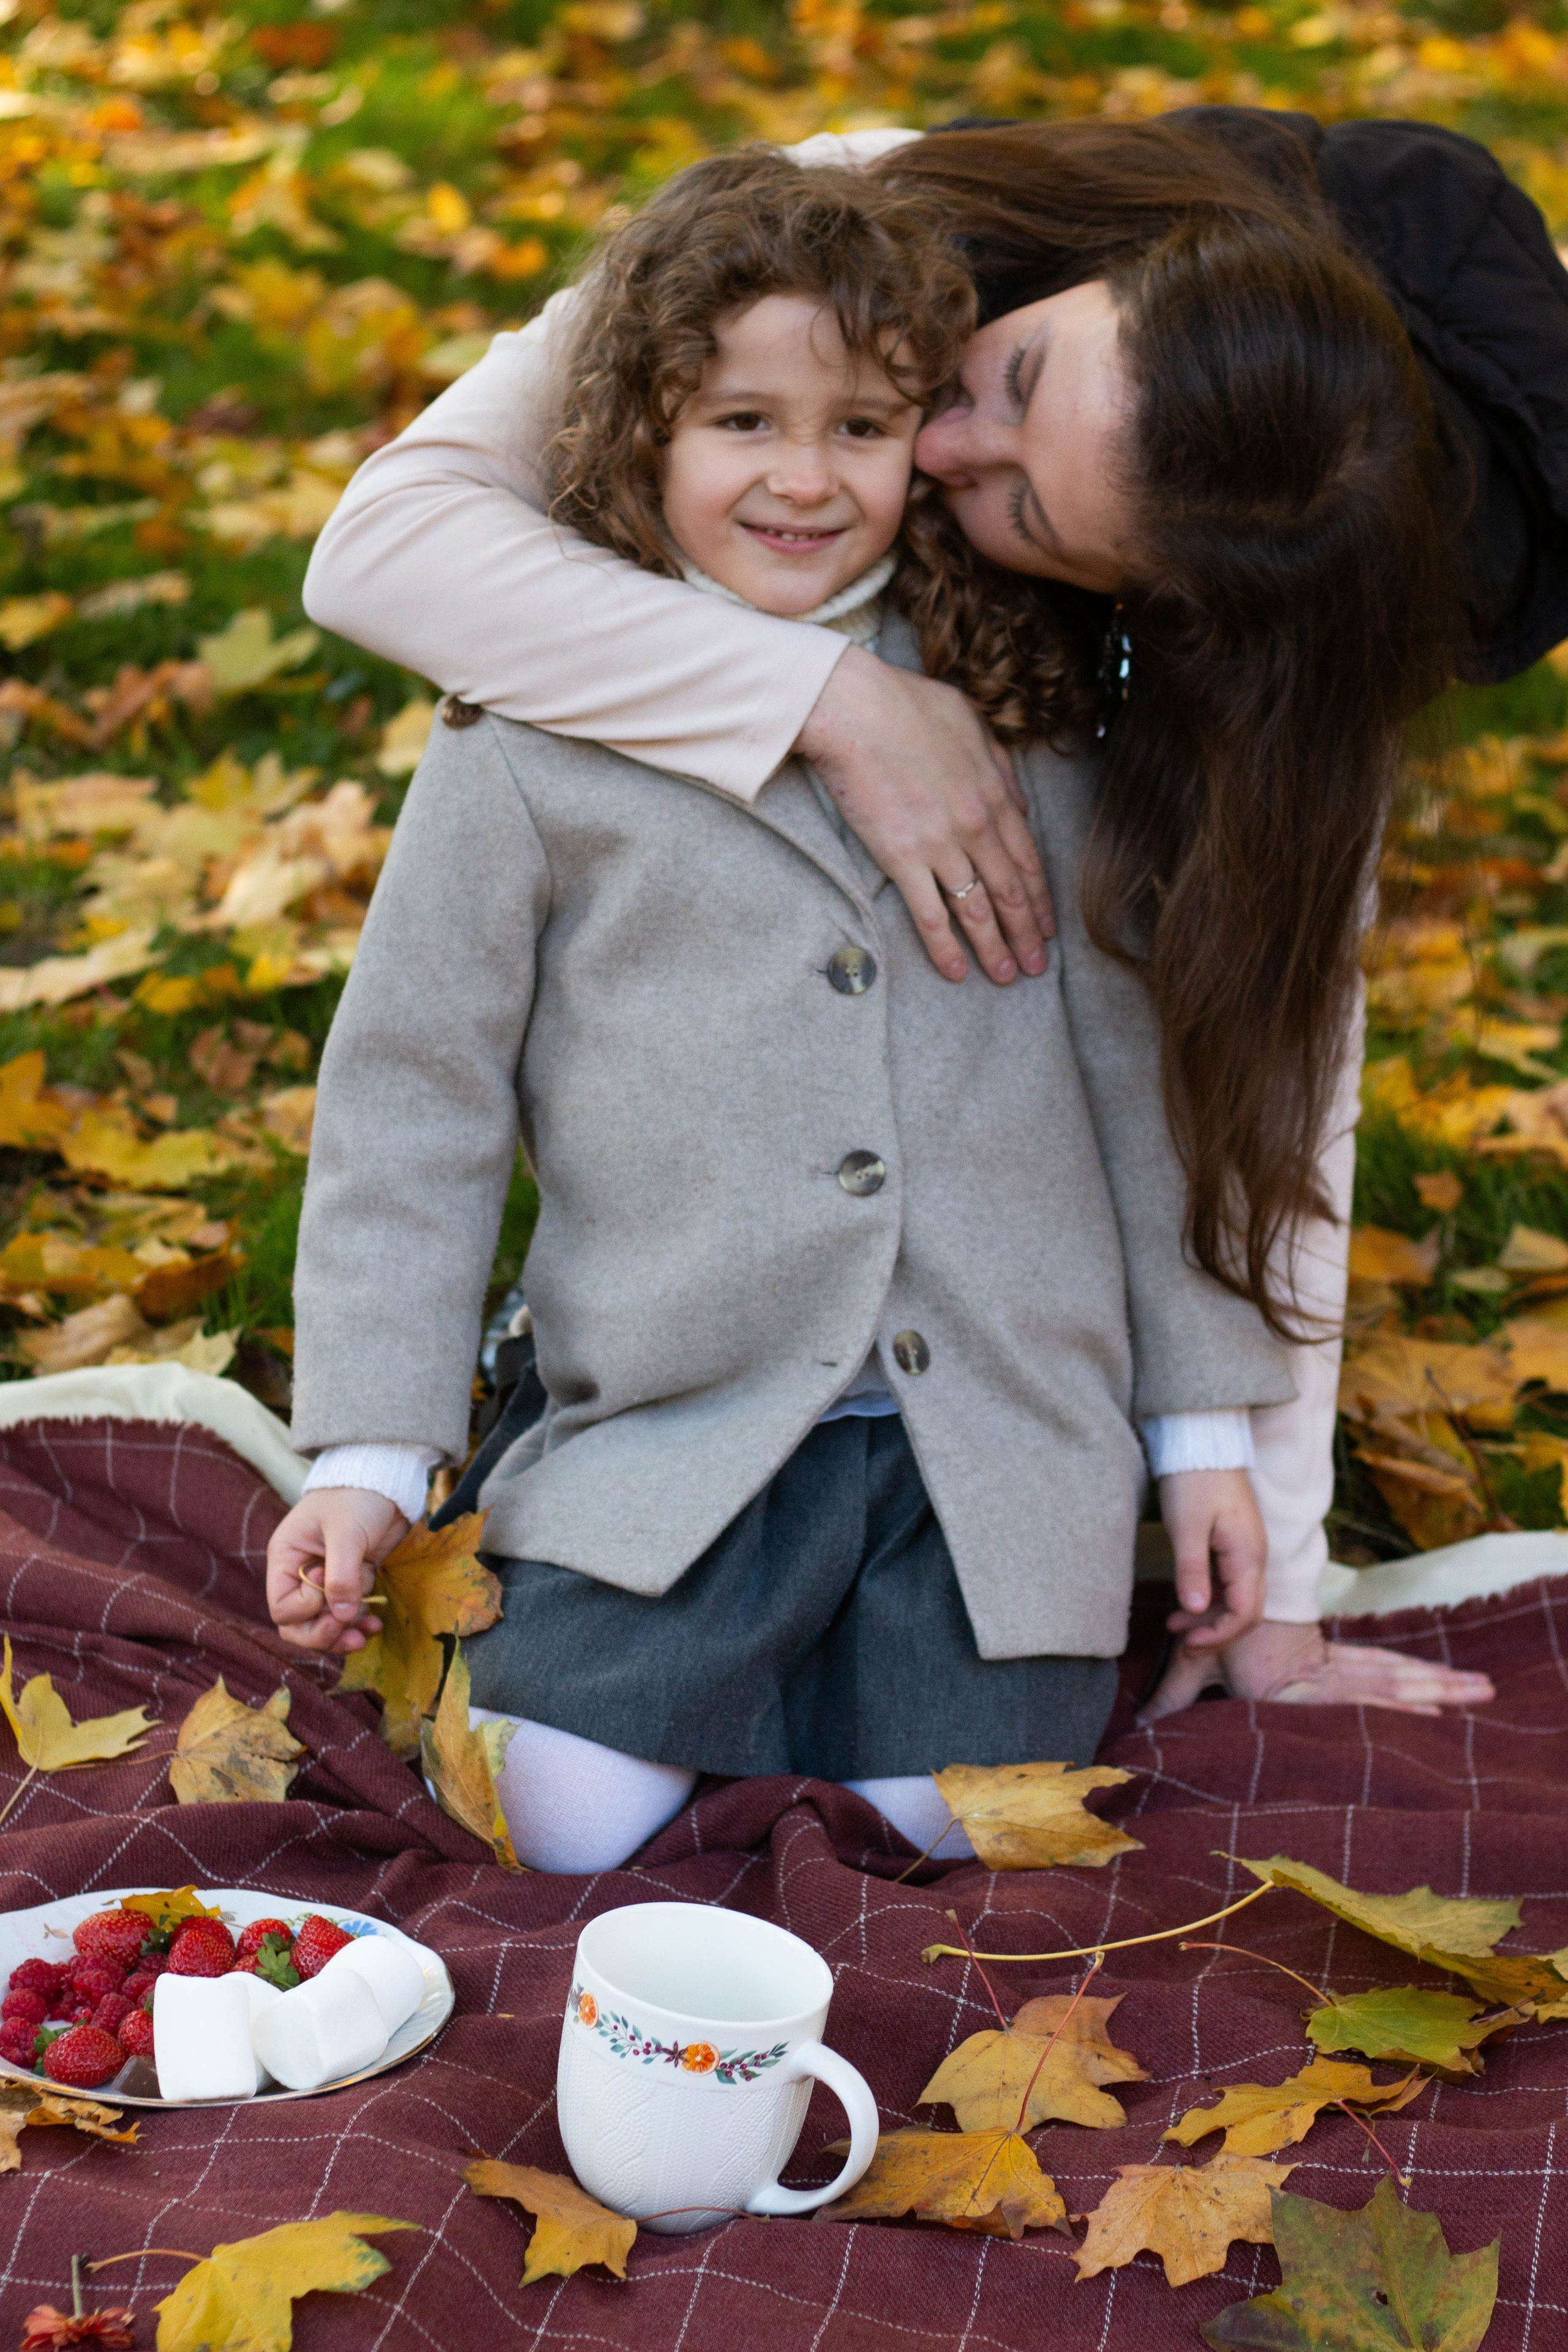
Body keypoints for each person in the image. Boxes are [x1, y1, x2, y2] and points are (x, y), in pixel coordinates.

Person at [303, 113, 1553, 1719]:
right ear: (1108, 274)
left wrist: (1275, 1583)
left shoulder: (1277, 632)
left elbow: (1275, 1079)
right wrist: (830, 691)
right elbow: (385, 552)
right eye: (1015, 382)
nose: (943, 457)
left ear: (1137, 597)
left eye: (1030, 514)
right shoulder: (831, 221)